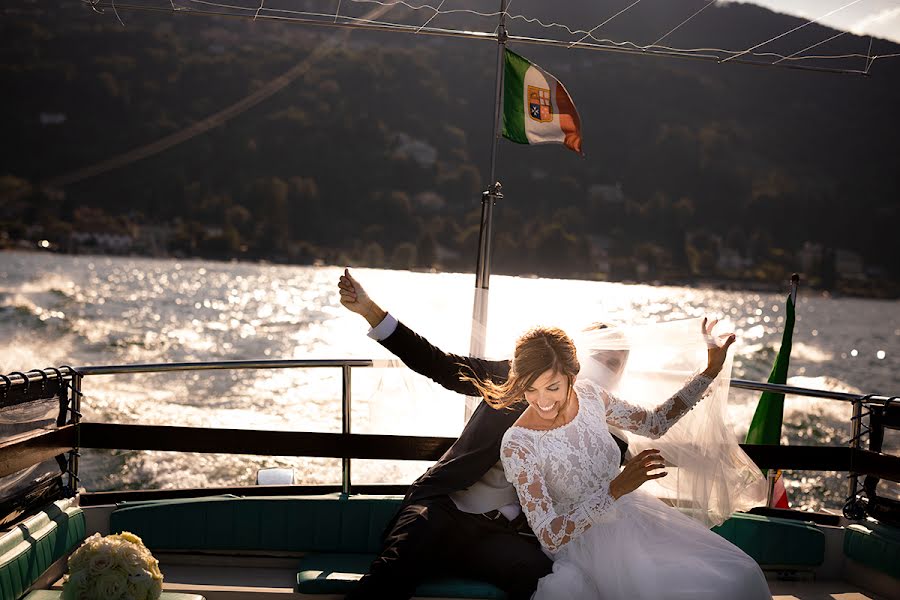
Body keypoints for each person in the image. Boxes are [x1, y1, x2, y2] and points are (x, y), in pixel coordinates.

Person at [337, 268, 631, 600]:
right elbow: (440, 365)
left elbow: (603, 479)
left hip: (498, 535)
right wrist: (370, 311)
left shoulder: (607, 432)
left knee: (547, 583)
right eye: (599, 358)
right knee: (391, 575)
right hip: (443, 509)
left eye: (614, 363)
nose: (604, 369)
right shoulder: (514, 375)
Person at [487, 323, 772, 599]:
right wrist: (616, 489)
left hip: (637, 517)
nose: (541, 400)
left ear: (572, 375)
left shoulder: (590, 395)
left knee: (741, 573)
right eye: (530, 389)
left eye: (552, 387)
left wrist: (710, 372)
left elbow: (655, 423)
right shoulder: (519, 443)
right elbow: (550, 535)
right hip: (588, 545)